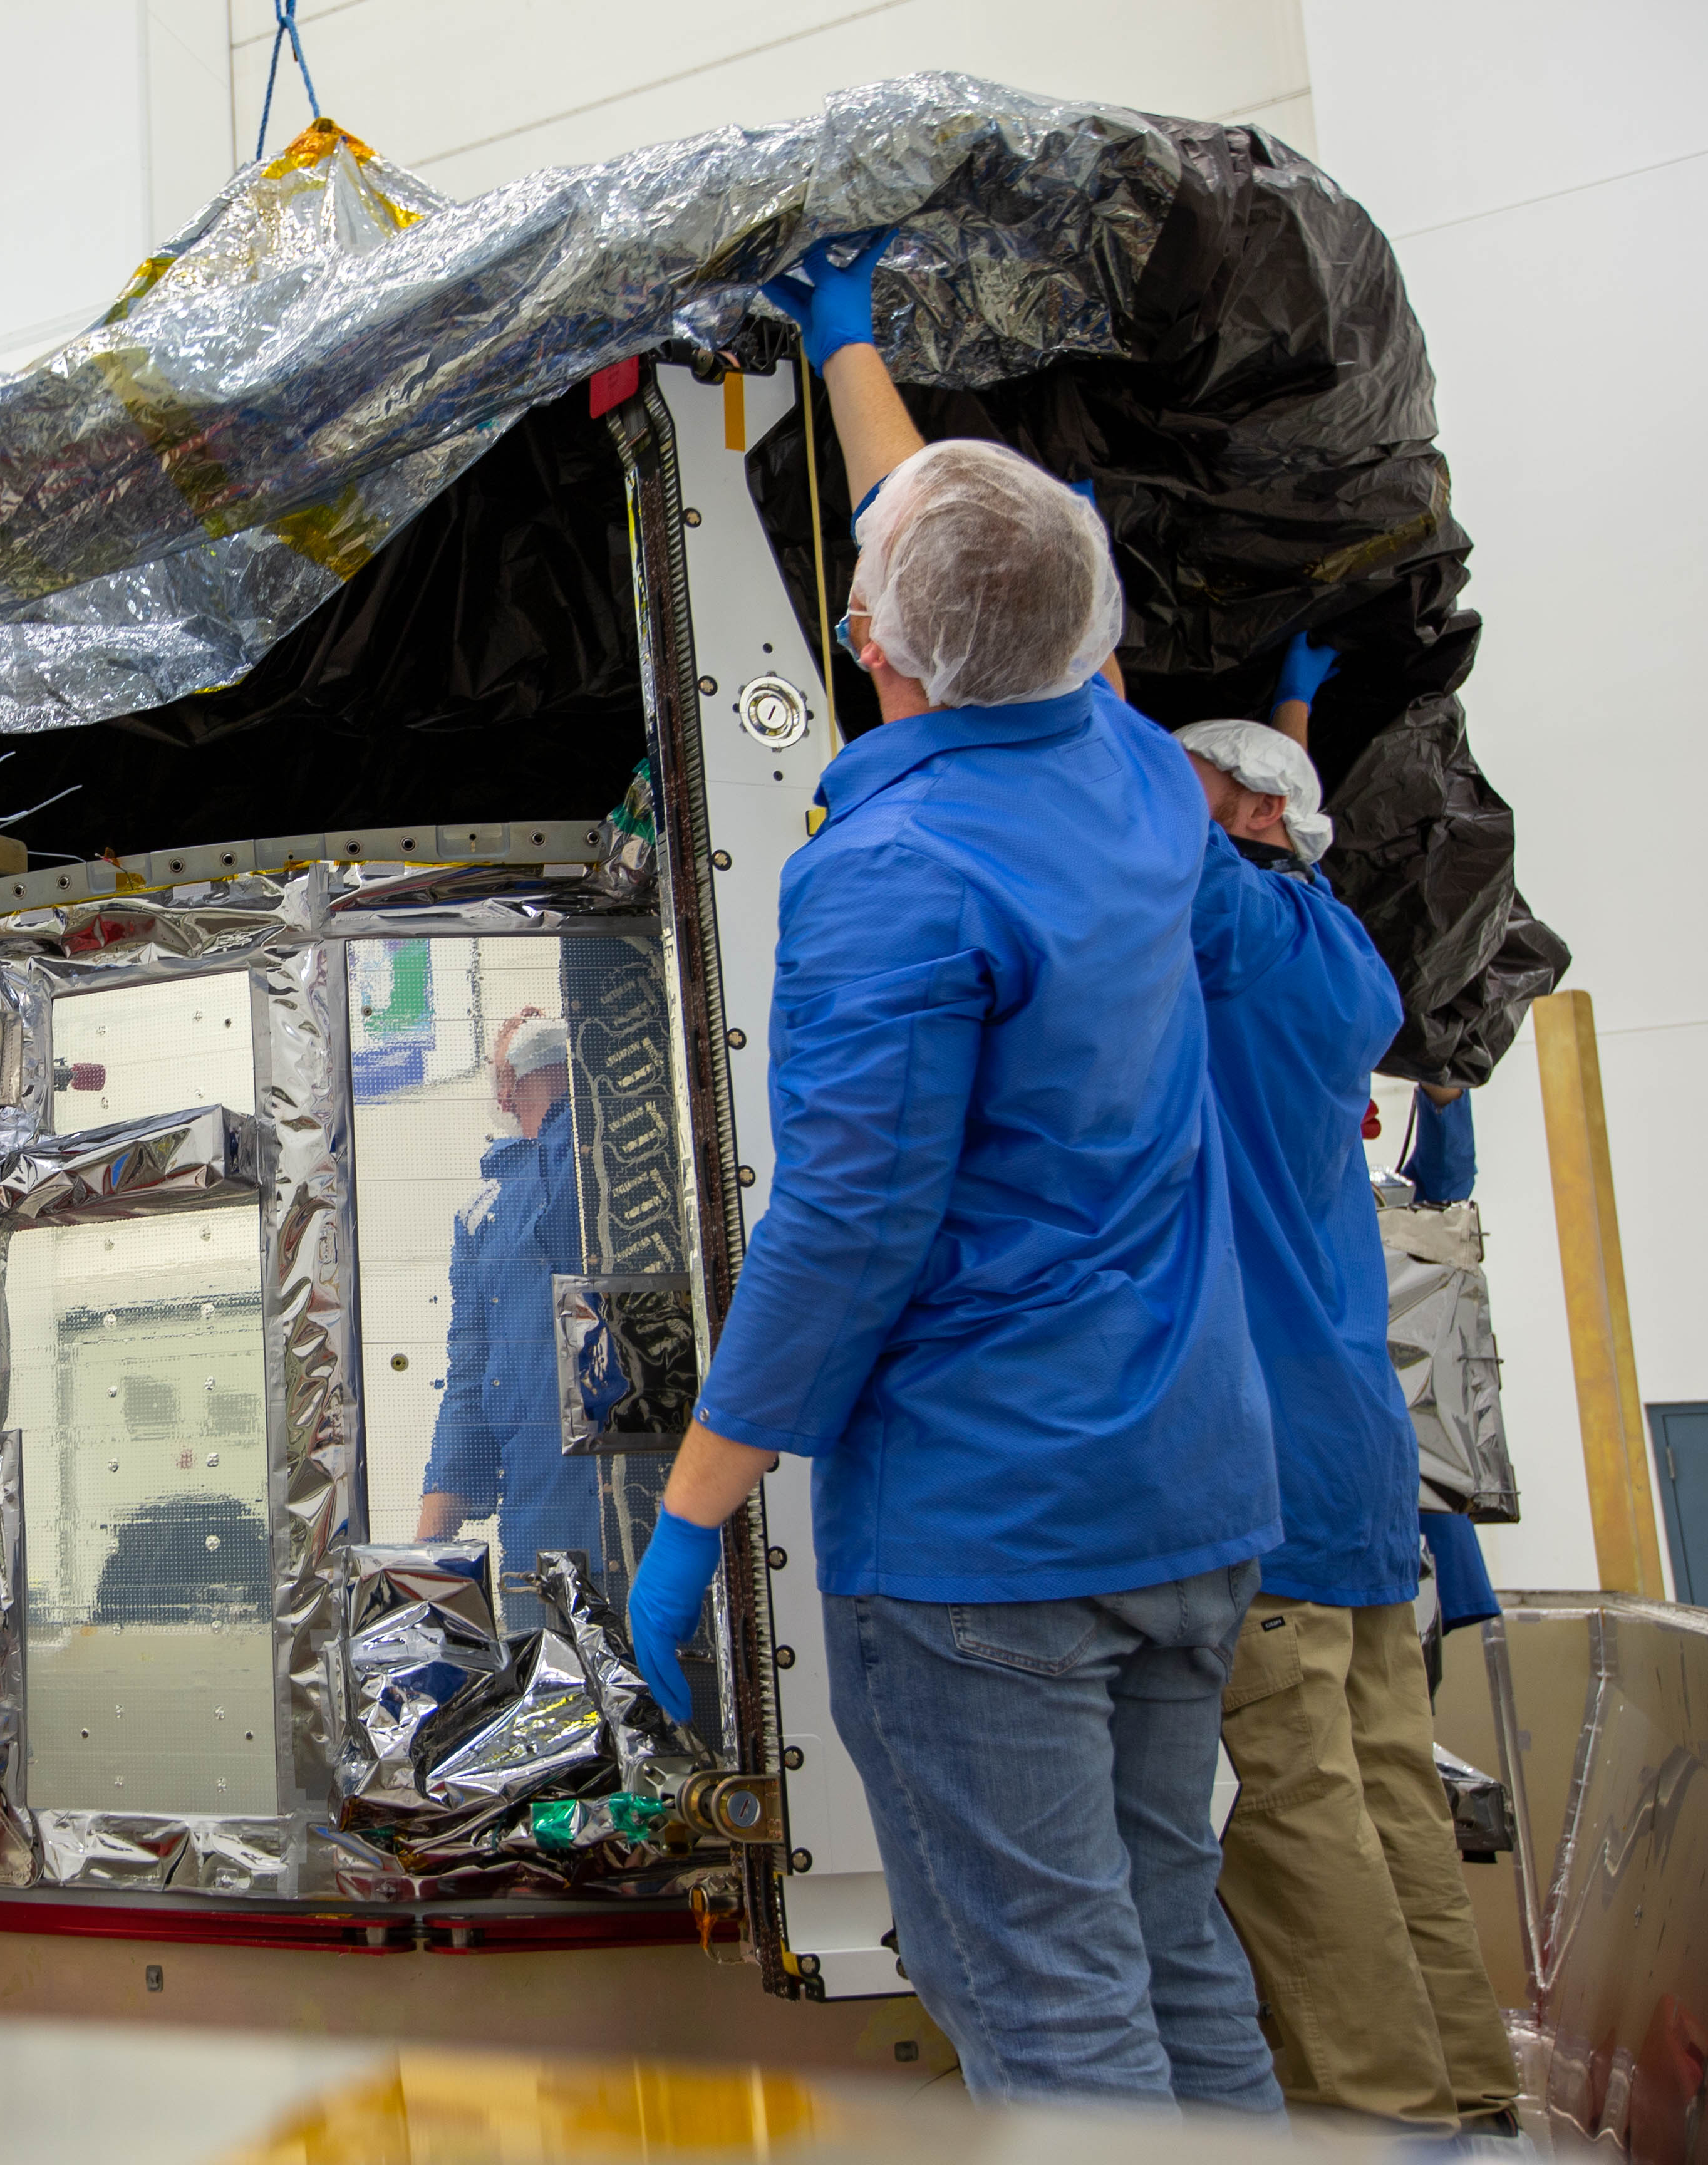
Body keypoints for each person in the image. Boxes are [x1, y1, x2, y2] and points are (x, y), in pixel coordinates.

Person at [623, 232, 1283, 2117]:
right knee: (1176, 1951)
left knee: (1053, 2019)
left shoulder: (890, 877)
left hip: (994, 1537)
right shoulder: (1144, 780)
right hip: (1185, 1496)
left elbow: (847, 1232)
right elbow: (974, 565)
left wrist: (693, 1512)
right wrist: (847, 347)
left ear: (867, 648)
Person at [1176, 637, 1521, 2132]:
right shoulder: (1339, 949)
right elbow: (1266, 810)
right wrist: (1290, 715)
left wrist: (1061, 634)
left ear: (1244, 818)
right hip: (1361, 1454)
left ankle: (1380, 2118)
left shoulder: (1226, 927)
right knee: (1389, 1786)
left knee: (1302, 1804)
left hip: (1262, 1452)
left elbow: (1126, 811)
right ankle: (1472, 2092)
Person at [414, 1013, 599, 1628]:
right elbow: (470, 1387)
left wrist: (548, 1068)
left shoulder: (593, 1160)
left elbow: (568, 1155)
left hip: (625, 1520)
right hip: (542, 1544)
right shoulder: (483, 1217)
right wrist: (424, 1558)